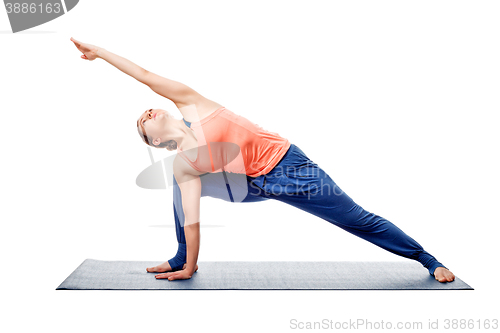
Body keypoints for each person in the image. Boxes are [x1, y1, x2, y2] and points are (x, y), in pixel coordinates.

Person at [70, 37, 456, 283]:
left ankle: (427, 258)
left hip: (289, 165)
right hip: (253, 183)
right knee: (182, 188)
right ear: (154, 140)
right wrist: (191, 264)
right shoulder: (183, 163)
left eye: (149, 109)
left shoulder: (191, 103)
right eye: (142, 121)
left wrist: (101, 53)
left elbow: (144, 74)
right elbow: (192, 217)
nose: (148, 112)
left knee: (355, 219)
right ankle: (180, 260)